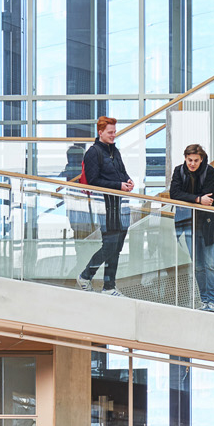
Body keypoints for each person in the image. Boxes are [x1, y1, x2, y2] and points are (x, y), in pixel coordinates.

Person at [77, 115, 136, 296]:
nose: (113, 135)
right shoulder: (93, 153)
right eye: (110, 132)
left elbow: (122, 172)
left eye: (114, 132)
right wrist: (118, 186)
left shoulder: (114, 151)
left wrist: (128, 181)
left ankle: (109, 286)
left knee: (116, 246)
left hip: (118, 205)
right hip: (105, 206)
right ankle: (85, 276)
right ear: (100, 132)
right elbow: (93, 181)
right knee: (110, 245)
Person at [170, 143, 214, 312]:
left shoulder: (209, 172)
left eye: (195, 160)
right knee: (198, 265)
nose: (192, 164)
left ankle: (212, 302)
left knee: (210, 264)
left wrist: (189, 198)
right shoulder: (179, 171)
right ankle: (204, 300)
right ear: (185, 159)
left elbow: (209, 196)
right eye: (189, 160)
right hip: (188, 223)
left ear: (201, 160)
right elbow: (174, 194)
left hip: (208, 224)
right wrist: (198, 199)